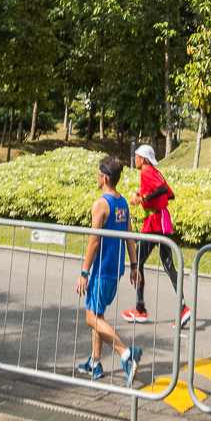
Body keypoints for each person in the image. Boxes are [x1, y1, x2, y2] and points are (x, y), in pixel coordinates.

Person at [76, 156, 142, 387]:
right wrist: (134, 266)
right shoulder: (123, 202)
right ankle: (95, 363)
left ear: (104, 177)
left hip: (101, 270)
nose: (96, 177)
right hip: (116, 269)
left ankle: (126, 355)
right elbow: (130, 237)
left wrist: (84, 272)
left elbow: (94, 242)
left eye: (97, 174)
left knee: (90, 316)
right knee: (98, 314)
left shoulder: (101, 204)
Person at [121, 144, 190, 328]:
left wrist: (142, 199)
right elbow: (170, 195)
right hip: (161, 220)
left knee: (138, 262)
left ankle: (140, 308)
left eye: (136, 156)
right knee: (168, 265)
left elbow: (162, 190)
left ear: (143, 159)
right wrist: (144, 193)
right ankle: (182, 307)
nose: (134, 159)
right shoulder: (156, 172)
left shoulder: (146, 172)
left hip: (152, 223)